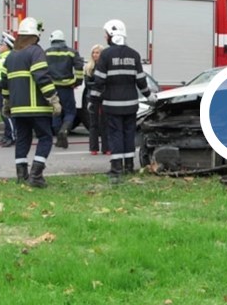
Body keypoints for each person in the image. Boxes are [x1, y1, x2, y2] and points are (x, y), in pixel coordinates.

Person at [92, 19, 157, 184]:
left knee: (115, 135)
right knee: (129, 134)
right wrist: (149, 96)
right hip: (130, 105)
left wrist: (93, 101)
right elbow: (141, 82)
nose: (105, 37)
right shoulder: (134, 55)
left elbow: (99, 82)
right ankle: (129, 166)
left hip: (112, 105)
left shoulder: (106, 55)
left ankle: (116, 168)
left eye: (106, 34)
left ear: (112, 35)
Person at [0, 17, 62, 188]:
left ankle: (22, 176)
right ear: (35, 36)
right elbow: (42, 76)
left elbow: (4, 83)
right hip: (37, 107)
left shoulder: (11, 56)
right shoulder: (36, 52)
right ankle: (36, 175)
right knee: (45, 138)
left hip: (18, 109)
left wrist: (7, 103)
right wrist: (53, 99)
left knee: (22, 140)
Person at [45, 30, 84, 149]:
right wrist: (77, 82)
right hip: (67, 87)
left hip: (52, 88)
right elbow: (79, 68)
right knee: (70, 112)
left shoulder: (46, 53)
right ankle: (64, 129)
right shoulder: (71, 52)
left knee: (56, 112)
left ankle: (58, 138)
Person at [0, 32, 17, 147]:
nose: (0, 46)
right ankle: (7, 135)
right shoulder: (4, 58)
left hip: (5, 90)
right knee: (4, 113)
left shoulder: (8, 58)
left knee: (7, 114)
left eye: (2, 44)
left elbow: (3, 77)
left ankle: (12, 137)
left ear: (7, 45)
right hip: (1, 89)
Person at [84, 44, 109, 155]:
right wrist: (98, 83)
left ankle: (106, 148)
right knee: (93, 124)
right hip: (92, 98)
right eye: (93, 52)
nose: (95, 54)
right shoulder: (88, 67)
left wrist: (97, 84)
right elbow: (87, 84)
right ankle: (93, 148)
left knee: (105, 122)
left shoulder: (106, 66)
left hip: (105, 97)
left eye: (97, 52)